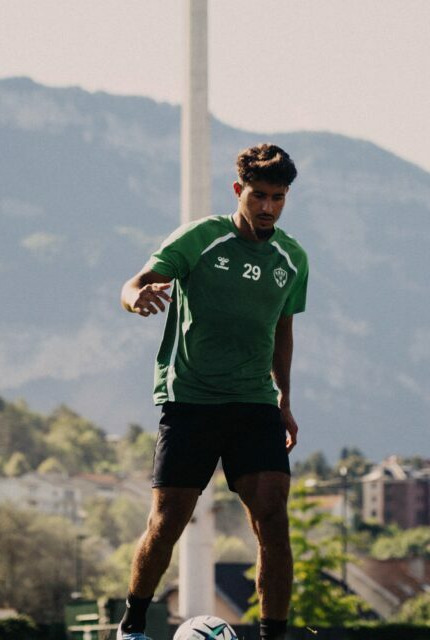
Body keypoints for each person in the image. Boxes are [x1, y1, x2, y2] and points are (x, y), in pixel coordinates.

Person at [115, 144, 308, 640]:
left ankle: (272, 635)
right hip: (191, 402)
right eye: (259, 195)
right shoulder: (200, 238)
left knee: (273, 519)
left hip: (255, 405)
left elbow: (281, 331)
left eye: (279, 198)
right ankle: (133, 623)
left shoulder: (293, 258)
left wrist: (284, 399)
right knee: (168, 521)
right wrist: (137, 296)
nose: (268, 207)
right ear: (238, 190)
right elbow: (136, 282)